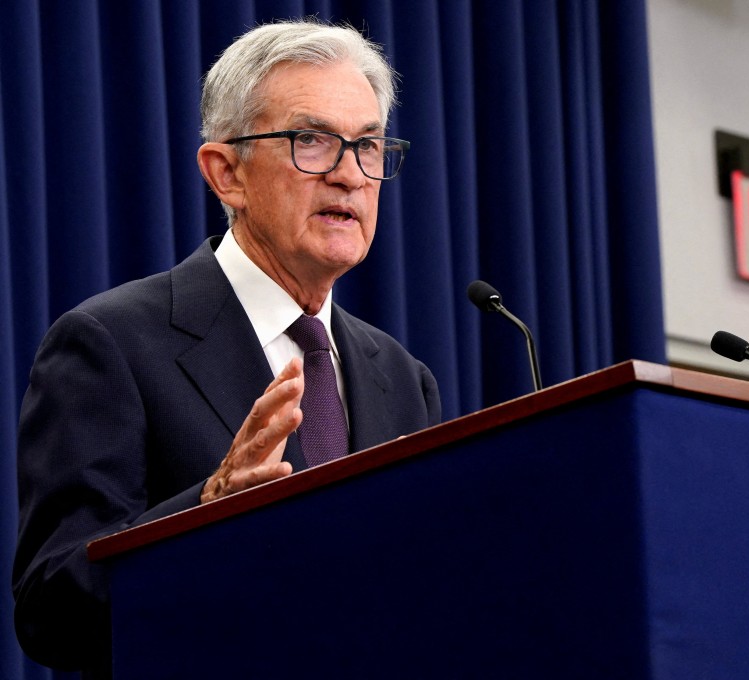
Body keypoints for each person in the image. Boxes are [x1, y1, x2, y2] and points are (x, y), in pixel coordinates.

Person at [12, 19, 441, 675]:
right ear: (226, 174)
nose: (350, 176)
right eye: (312, 141)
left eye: (369, 147)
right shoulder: (110, 343)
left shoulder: (404, 379)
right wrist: (207, 509)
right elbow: (52, 611)